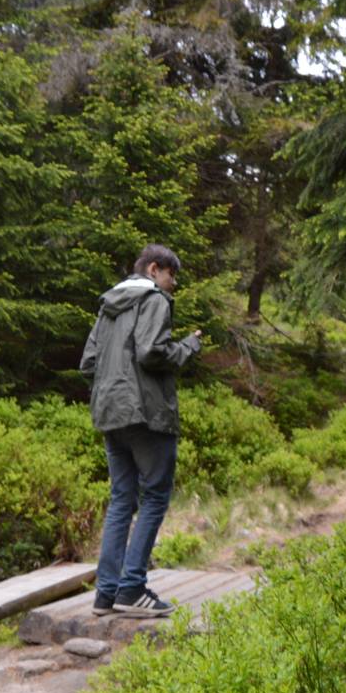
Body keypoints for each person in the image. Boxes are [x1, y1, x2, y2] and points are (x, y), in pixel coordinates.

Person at [79, 244, 201, 617]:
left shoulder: (108, 306)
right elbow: (152, 351)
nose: (173, 285)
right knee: (154, 497)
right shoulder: (154, 300)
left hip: (109, 414)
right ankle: (131, 588)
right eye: (171, 276)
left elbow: (88, 363)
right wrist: (188, 347)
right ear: (154, 269)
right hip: (147, 416)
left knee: (121, 500)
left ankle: (107, 593)